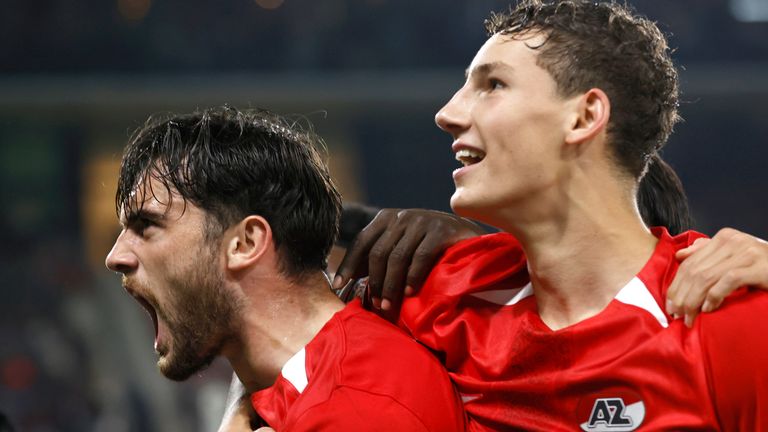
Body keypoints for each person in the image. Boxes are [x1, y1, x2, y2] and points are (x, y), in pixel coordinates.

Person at [339, 1, 768, 429]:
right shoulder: (428, 306)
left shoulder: (721, 318)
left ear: (584, 116)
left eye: (493, 85)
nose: (447, 114)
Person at [104, 107, 467, 431]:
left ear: (245, 243)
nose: (115, 256)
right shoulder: (301, 379)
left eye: (146, 226)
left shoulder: (352, 407)